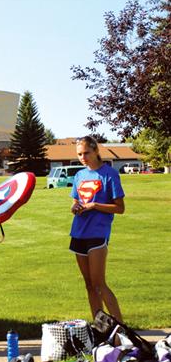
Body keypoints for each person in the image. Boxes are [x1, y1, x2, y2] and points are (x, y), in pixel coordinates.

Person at [70, 136, 125, 322]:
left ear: (95, 151)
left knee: (99, 284)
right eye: (79, 154)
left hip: (97, 233)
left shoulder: (109, 174)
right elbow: (76, 200)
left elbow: (120, 208)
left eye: (86, 152)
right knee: (89, 285)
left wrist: (95, 205)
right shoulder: (79, 176)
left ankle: (120, 329)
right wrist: (75, 207)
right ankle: (100, 326)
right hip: (78, 232)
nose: (83, 157)